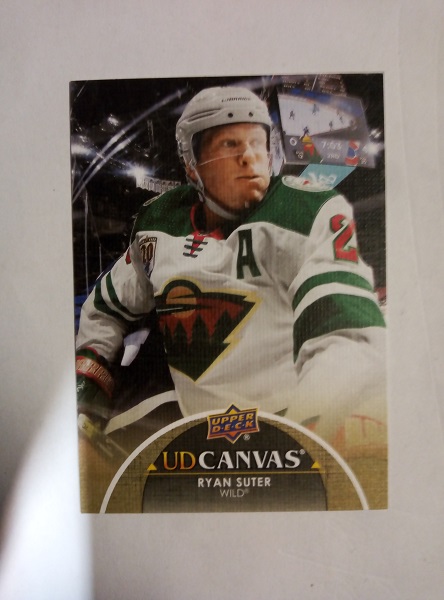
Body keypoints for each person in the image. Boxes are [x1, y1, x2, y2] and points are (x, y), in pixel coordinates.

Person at [75, 86, 386, 451]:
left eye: (257, 142)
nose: (249, 156)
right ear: (191, 164)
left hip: (288, 422)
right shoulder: (159, 221)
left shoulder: (309, 211)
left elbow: (346, 334)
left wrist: (305, 436)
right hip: (195, 428)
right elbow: (106, 309)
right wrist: (85, 394)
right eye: (229, 145)